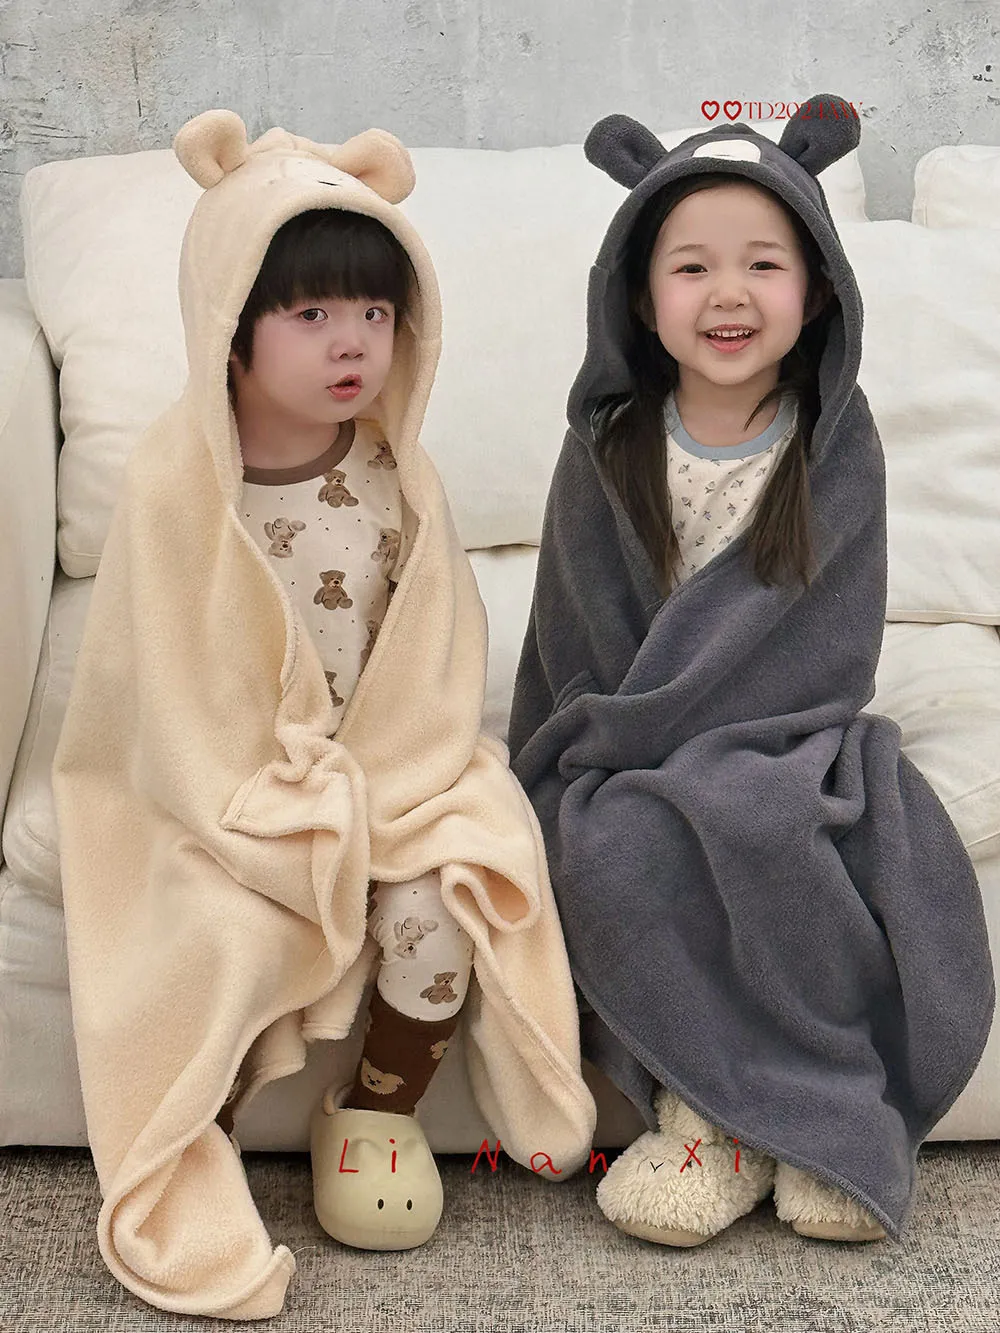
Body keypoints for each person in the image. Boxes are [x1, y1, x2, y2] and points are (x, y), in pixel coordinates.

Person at [52, 111, 595, 1319]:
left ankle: (376, 1112)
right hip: (230, 785)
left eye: (375, 312)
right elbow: (157, 683)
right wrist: (253, 788)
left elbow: (434, 648)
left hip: (391, 768)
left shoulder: (396, 473)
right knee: (214, 934)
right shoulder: (174, 485)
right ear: (232, 325)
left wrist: (386, 775)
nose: (352, 342)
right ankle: (201, 1128)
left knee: (449, 902)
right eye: (310, 314)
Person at [507, 97, 994, 1249]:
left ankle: (826, 1117)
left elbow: (829, 634)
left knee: (776, 825)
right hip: (630, 725)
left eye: (762, 264)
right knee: (616, 840)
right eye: (691, 267)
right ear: (640, 297)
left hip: (786, 729)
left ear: (816, 289)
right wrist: (627, 739)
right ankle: (706, 1118)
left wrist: (735, 739)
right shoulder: (607, 444)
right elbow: (578, 627)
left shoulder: (833, 443)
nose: (727, 293)